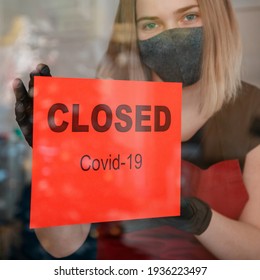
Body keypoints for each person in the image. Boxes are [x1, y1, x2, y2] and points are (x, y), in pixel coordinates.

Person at [12, 0, 260, 259]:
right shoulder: (104, 113)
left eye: (189, 16)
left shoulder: (251, 109)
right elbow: (61, 245)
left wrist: (202, 220)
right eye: (151, 24)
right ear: (133, 34)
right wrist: (57, 158)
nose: (173, 34)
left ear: (217, 19)